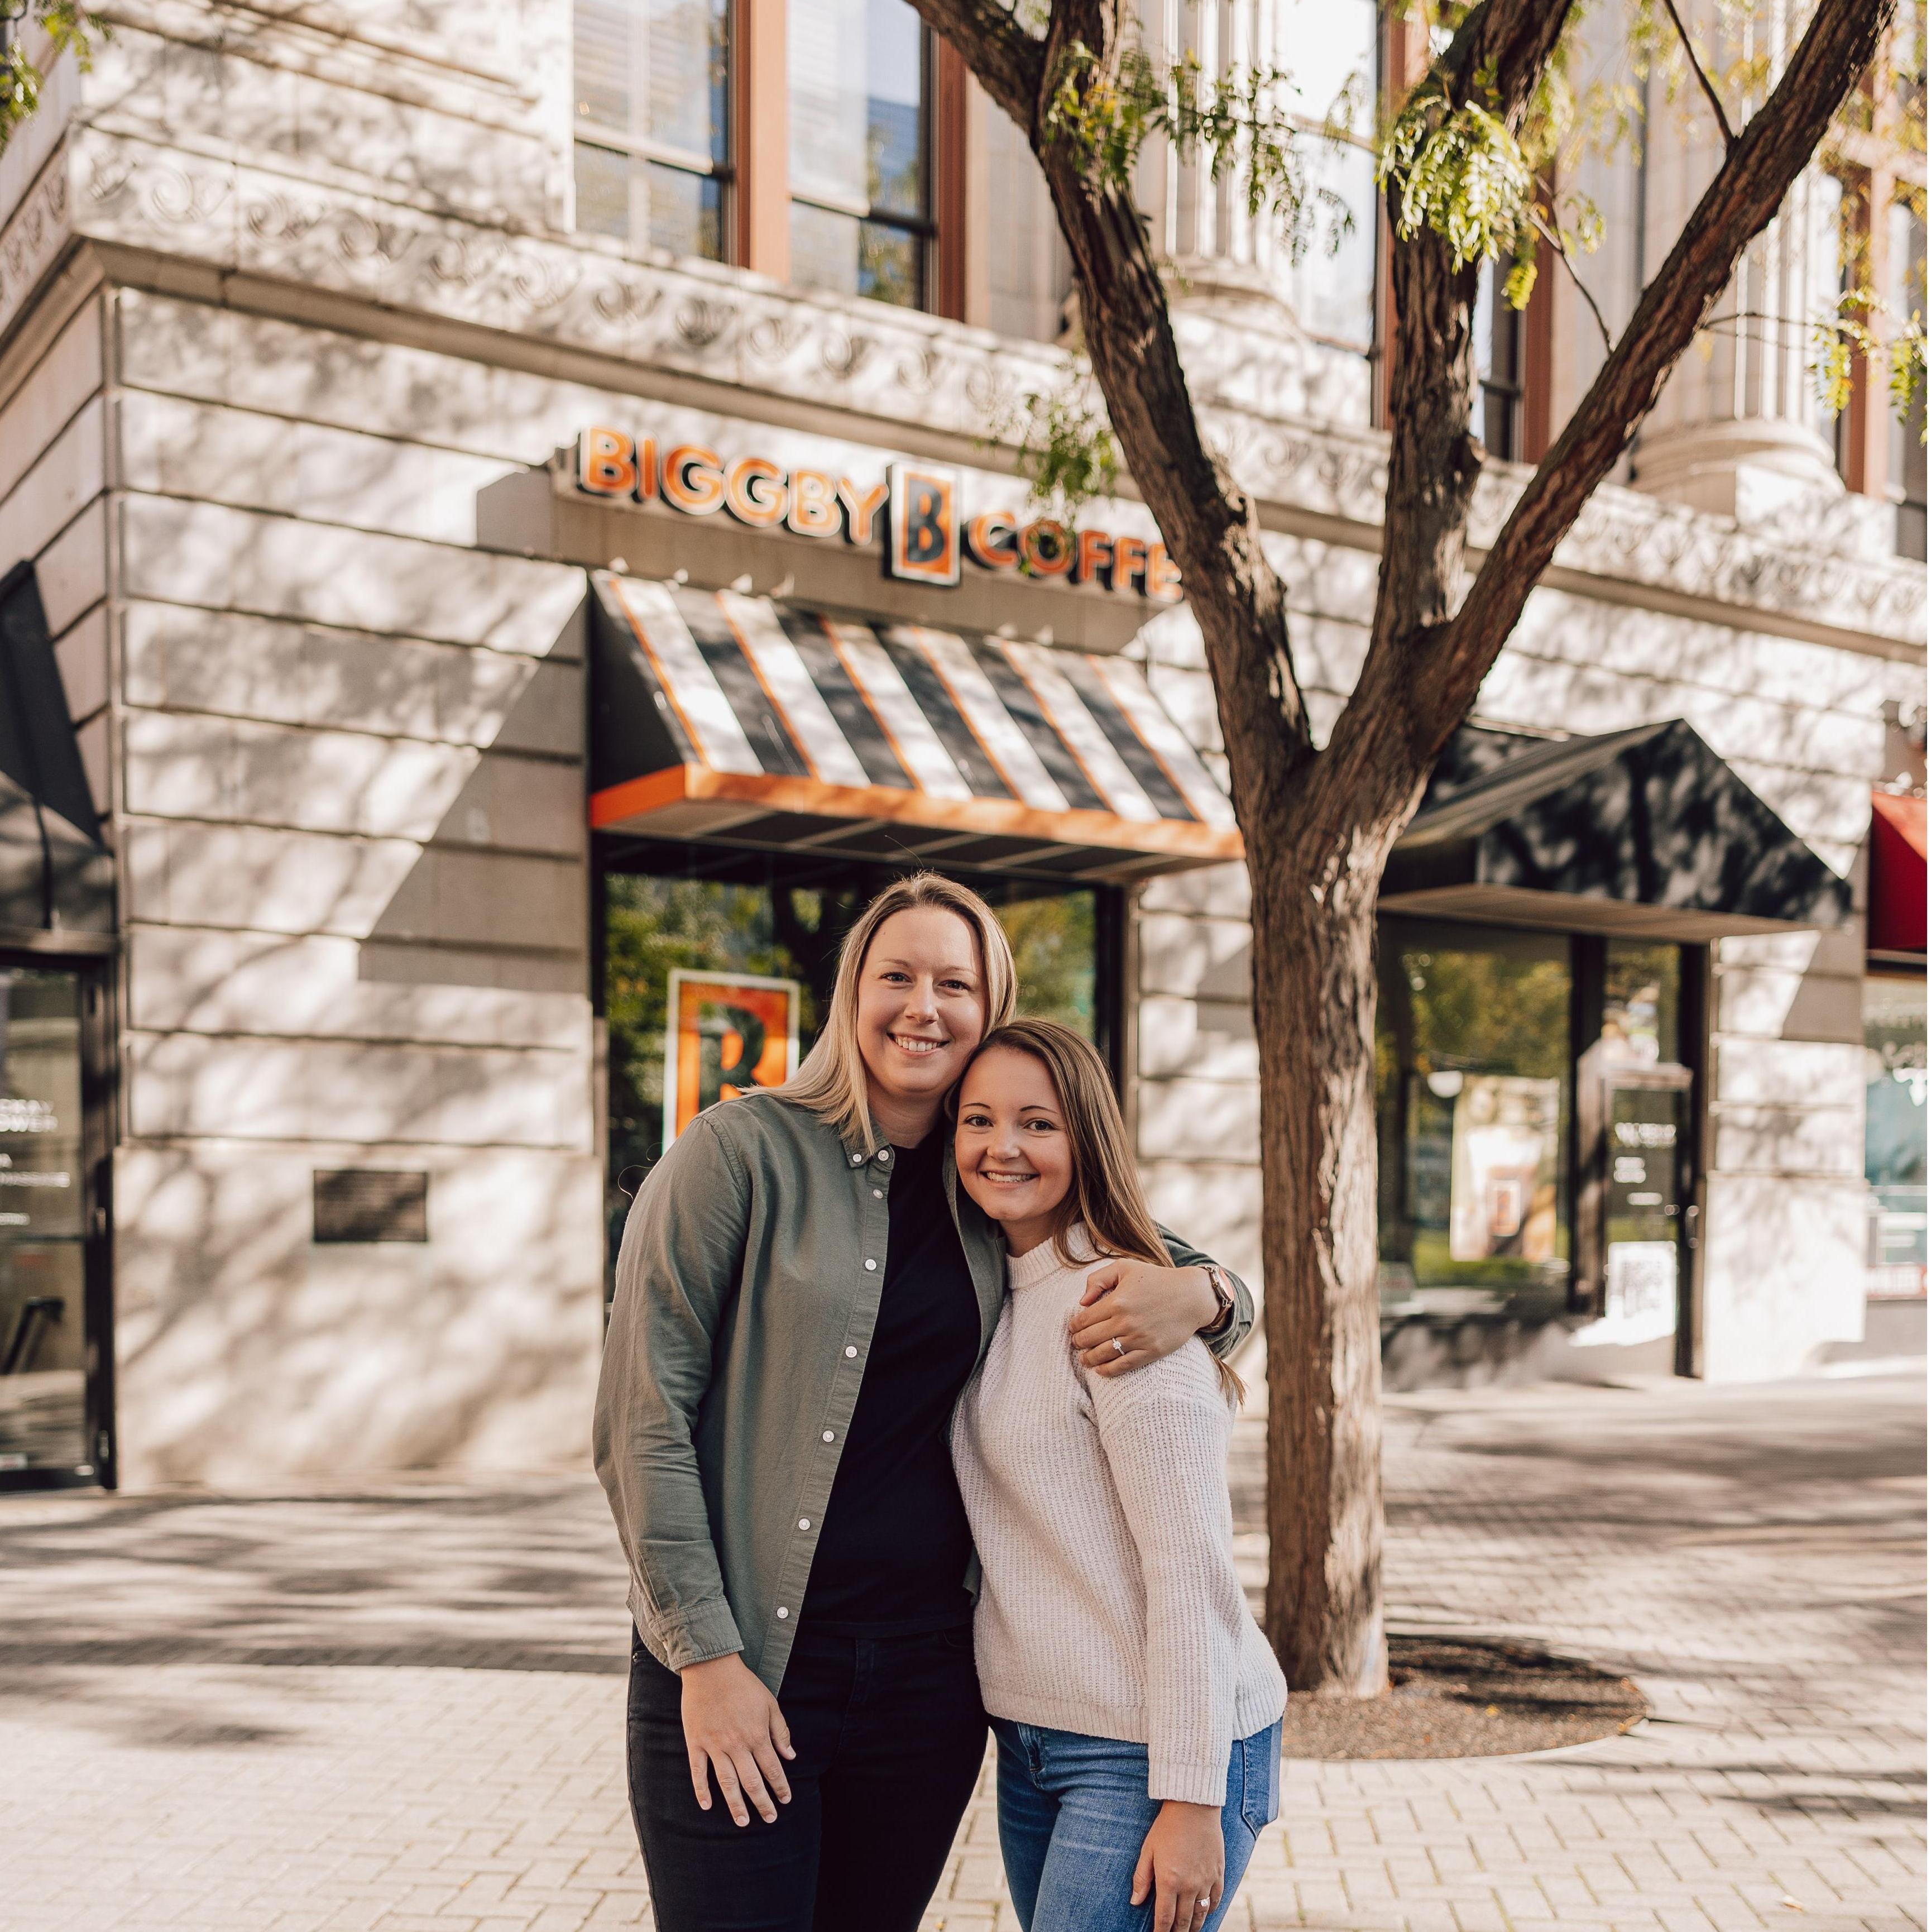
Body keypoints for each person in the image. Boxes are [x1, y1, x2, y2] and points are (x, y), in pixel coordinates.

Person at [593, 873, 1254, 1932]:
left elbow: (1151, 1261)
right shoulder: (737, 1155)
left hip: (924, 1688)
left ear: (989, 1008)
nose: (925, 1005)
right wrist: (707, 1661)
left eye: (956, 982)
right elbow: (642, 1425)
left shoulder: (988, 1171)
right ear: (852, 991)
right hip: (747, 1663)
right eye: (897, 975)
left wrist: (1211, 1292)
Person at [950, 1018, 1287, 1932]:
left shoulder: (1125, 1310)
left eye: (1038, 1124)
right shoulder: (992, 1292)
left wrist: (1191, 1797)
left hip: (1152, 1750)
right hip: (1034, 1742)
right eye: (977, 1121)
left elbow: (1190, 1572)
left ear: (1087, 1138)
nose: (1002, 1147)